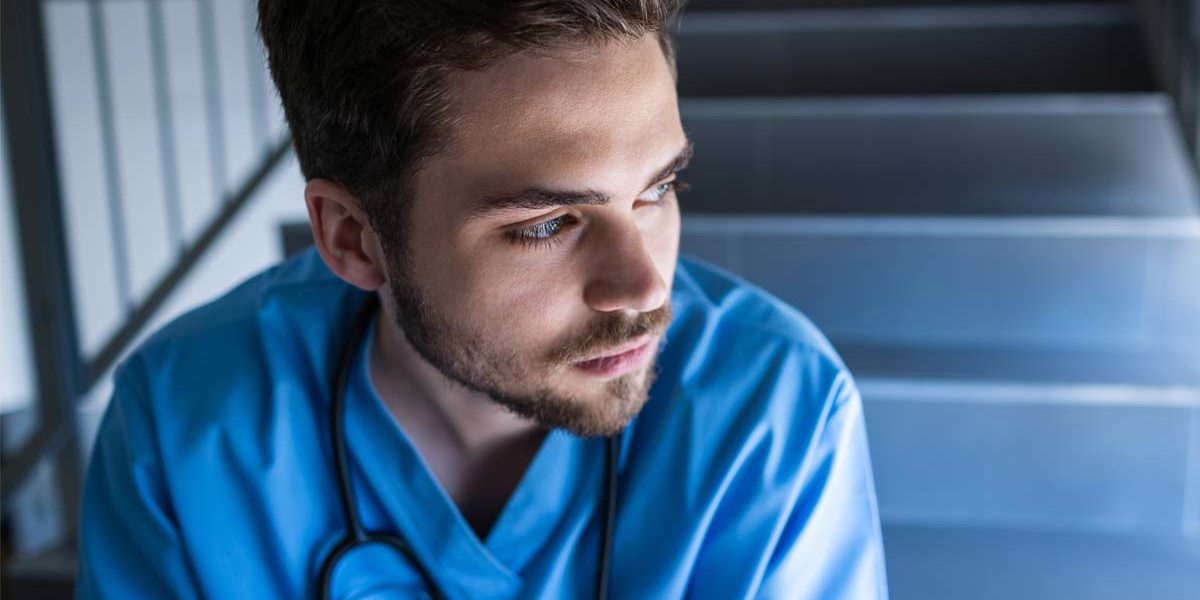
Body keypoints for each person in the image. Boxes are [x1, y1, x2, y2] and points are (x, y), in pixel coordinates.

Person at [77, 1, 888, 598]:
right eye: (548, 224)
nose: (645, 286)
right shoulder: (182, 426)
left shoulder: (775, 408)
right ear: (354, 239)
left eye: (658, 188)